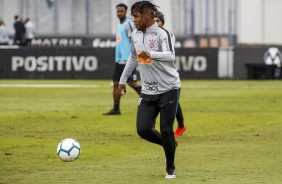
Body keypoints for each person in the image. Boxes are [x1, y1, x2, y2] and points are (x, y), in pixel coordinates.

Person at [119, 1, 180, 178]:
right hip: (148, 90)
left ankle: (170, 168)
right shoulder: (135, 35)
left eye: (136, 16)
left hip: (169, 88)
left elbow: (170, 55)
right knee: (143, 129)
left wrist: (150, 54)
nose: (133, 20)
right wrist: (123, 80)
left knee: (167, 129)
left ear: (147, 15)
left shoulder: (164, 34)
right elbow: (132, 57)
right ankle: (170, 144)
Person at [103, 3, 142, 115]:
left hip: (128, 60)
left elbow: (134, 40)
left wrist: (135, 57)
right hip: (119, 61)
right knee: (116, 83)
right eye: (118, 11)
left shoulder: (128, 24)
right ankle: (116, 109)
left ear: (126, 12)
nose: (119, 13)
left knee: (132, 83)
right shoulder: (120, 26)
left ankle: (150, 101)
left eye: (121, 11)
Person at [154, 11, 186, 137]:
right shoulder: (148, 36)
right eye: (154, 21)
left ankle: (180, 126)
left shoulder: (168, 35)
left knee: (173, 103)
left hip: (167, 75)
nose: (156, 23)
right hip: (155, 76)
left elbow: (168, 54)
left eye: (158, 21)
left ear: (162, 22)